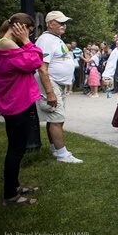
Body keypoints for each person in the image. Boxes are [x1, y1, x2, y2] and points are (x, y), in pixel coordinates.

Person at [0, 13, 43, 205]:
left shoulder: (4, 43)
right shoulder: (7, 44)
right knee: (16, 149)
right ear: (20, 27)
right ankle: (10, 195)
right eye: (28, 30)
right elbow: (35, 61)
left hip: (13, 102)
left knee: (17, 147)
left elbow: (29, 64)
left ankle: (14, 185)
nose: (28, 34)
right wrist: (26, 41)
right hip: (17, 104)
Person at [35, 11, 83, 163]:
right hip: (51, 81)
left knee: (56, 118)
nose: (64, 25)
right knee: (56, 118)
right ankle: (62, 155)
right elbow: (42, 68)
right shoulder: (46, 40)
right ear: (50, 24)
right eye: (60, 22)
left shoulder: (55, 38)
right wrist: (49, 92)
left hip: (58, 83)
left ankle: (55, 149)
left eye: (64, 22)